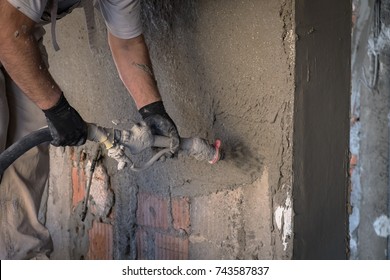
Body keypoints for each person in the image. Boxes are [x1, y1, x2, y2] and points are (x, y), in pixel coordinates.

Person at [0, 0, 179, 259]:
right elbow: (7, 33)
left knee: (25, 158)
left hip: (20, 37)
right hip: (9, 31)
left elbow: (127, 42)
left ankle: (20, 257)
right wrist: (58, 110)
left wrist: (152, 110)